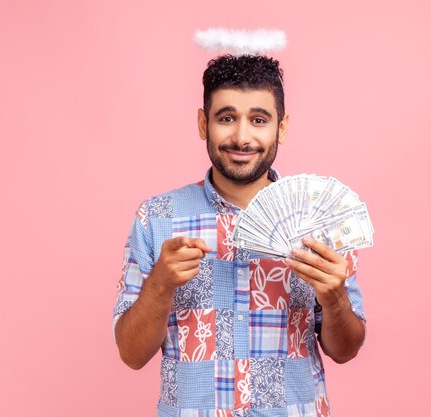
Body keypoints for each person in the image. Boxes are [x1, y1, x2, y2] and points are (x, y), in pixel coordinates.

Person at [113, 54, 366, 417]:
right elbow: (130, 354)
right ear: (203, 123)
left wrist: (335, 297)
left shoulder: (320, 222)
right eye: (226, 118)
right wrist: (160, 285)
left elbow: (346, 350)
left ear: (281, 127)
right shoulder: (156, 218)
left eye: (259, 120)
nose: (242, 137)